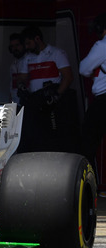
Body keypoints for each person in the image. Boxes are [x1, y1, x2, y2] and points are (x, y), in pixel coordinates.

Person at [16, 25, 76, 153]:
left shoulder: (56, 53)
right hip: (35, 101)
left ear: (37, 39)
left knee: (53, 136)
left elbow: (68, 77)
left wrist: (56, 96)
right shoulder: (28, 57)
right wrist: (21, 85)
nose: (26, 47)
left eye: (28, 43)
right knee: (33, 135)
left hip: (52, 102)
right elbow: (22, 77)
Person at [79, 12, 106, 167]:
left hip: (103, 101)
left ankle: (89, 186)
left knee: (87, 144)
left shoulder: (102, 45)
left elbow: (84, 68)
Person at [8, 32, 26, 103]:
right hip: (15, 103)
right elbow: (11, 86)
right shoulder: (13, 65)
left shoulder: (30, 60)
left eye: (17, 45)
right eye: (12, 46)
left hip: (28, 102)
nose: (15, 48)